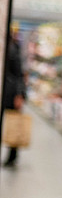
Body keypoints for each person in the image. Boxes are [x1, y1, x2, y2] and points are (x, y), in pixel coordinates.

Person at [2, 31, 25, 168]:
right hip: (7, 92)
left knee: (13, 124)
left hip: (10, 93)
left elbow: (19, 74)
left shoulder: (12, 50)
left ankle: (12, 156)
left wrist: (19, 94)